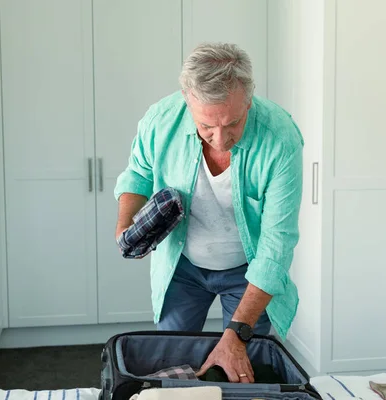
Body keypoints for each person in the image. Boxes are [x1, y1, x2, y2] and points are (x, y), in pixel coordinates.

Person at [114, 42, 304, 384]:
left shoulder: (280, 138)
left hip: (249, 271)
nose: (220, 139)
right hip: (182, 264)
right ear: (187, 101)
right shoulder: (160, 120)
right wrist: (125, 226)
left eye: (233, 123)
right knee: (170, 367)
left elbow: (277, 244)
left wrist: (236, 335)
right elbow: (138, 174)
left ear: (249, 99)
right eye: (206, 127)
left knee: (242, 367)